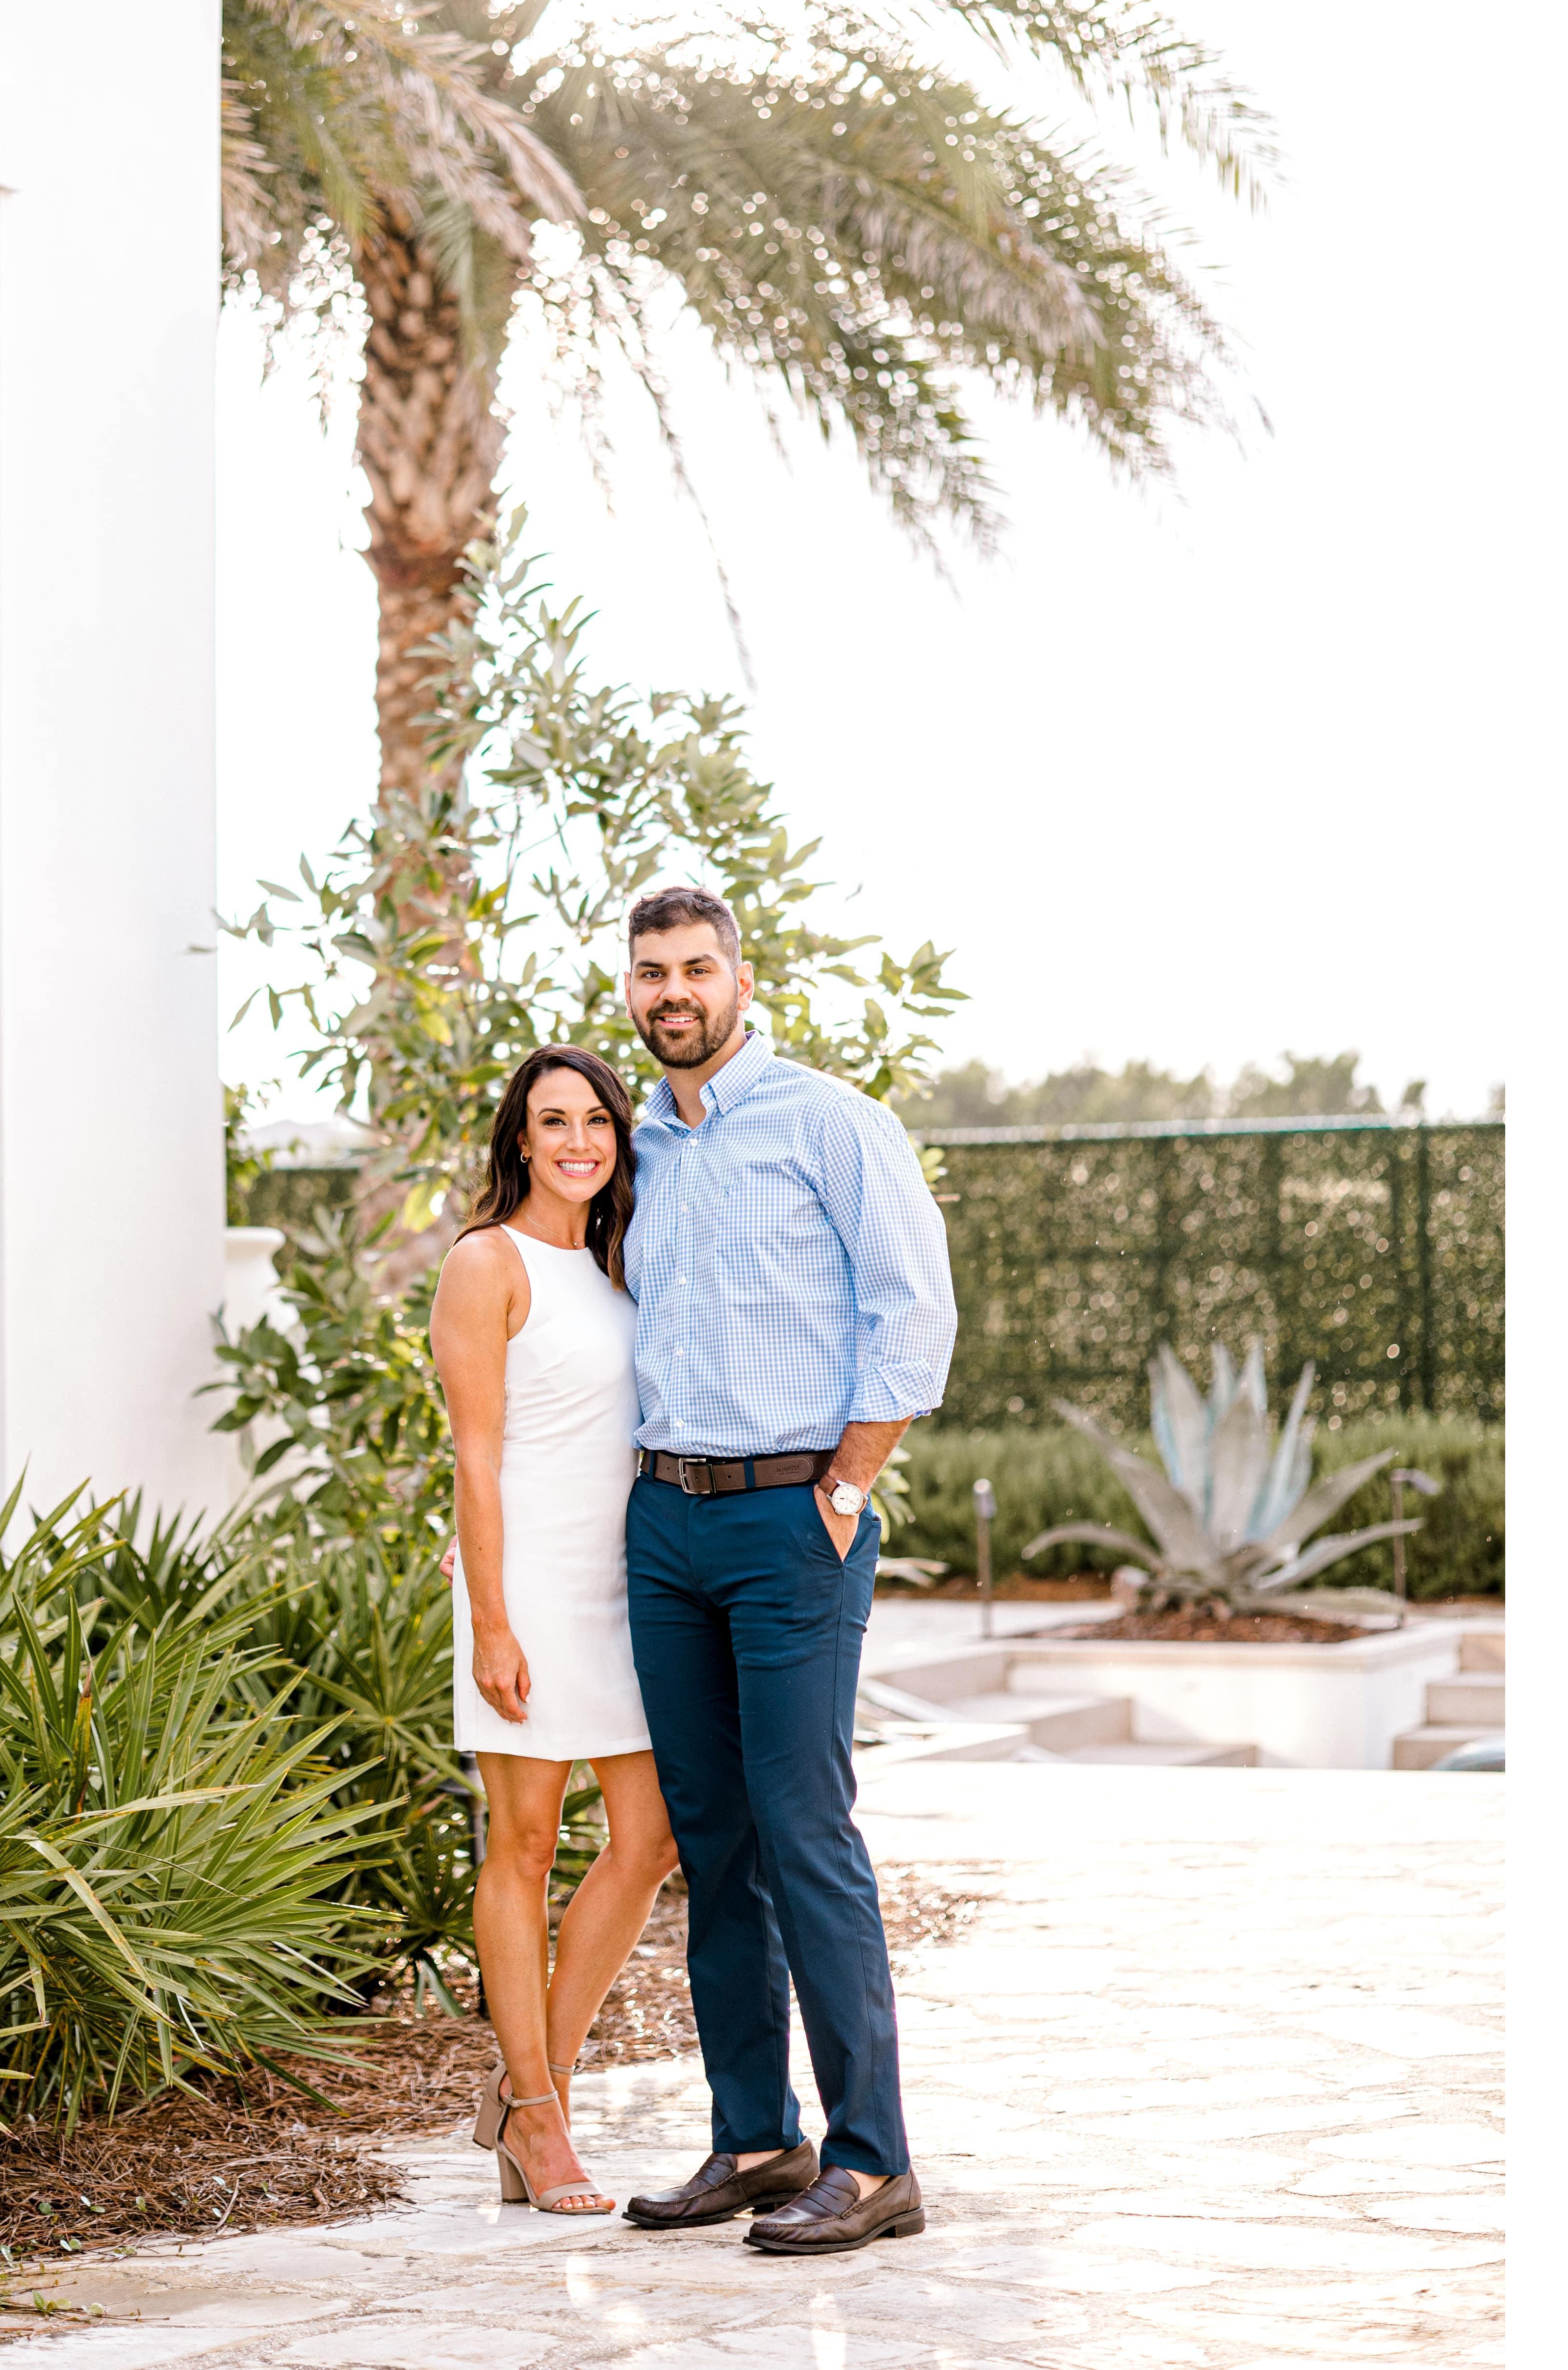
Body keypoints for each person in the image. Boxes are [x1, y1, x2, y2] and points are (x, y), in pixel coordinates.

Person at [615, 884, 957, 2256]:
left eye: (697, 968)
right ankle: (757, 2139)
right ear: (631, 990)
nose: (675, 992)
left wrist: (848, 1488)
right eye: (653, 972)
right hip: (665, 1521)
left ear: (741, 982)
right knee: (714, 1840)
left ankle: (873, 2162)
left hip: (790, 1518)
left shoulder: (829, 1122)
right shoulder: (637, 1145)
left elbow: (914, 1310)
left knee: (806, 1829)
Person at [429, 1044, 680, 2217]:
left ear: (619, 1139)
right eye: (554, 1122)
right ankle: (538, 2113)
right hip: (525, 1579)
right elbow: (477, 1454)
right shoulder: (486, 1261)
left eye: (598, 1121)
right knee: (525, 1844)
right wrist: (490, 1617)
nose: (579, 1141)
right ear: (519, 1142)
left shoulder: (626, 1264)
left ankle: (539, 2087)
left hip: (625, 1582)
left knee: (651, 1838)